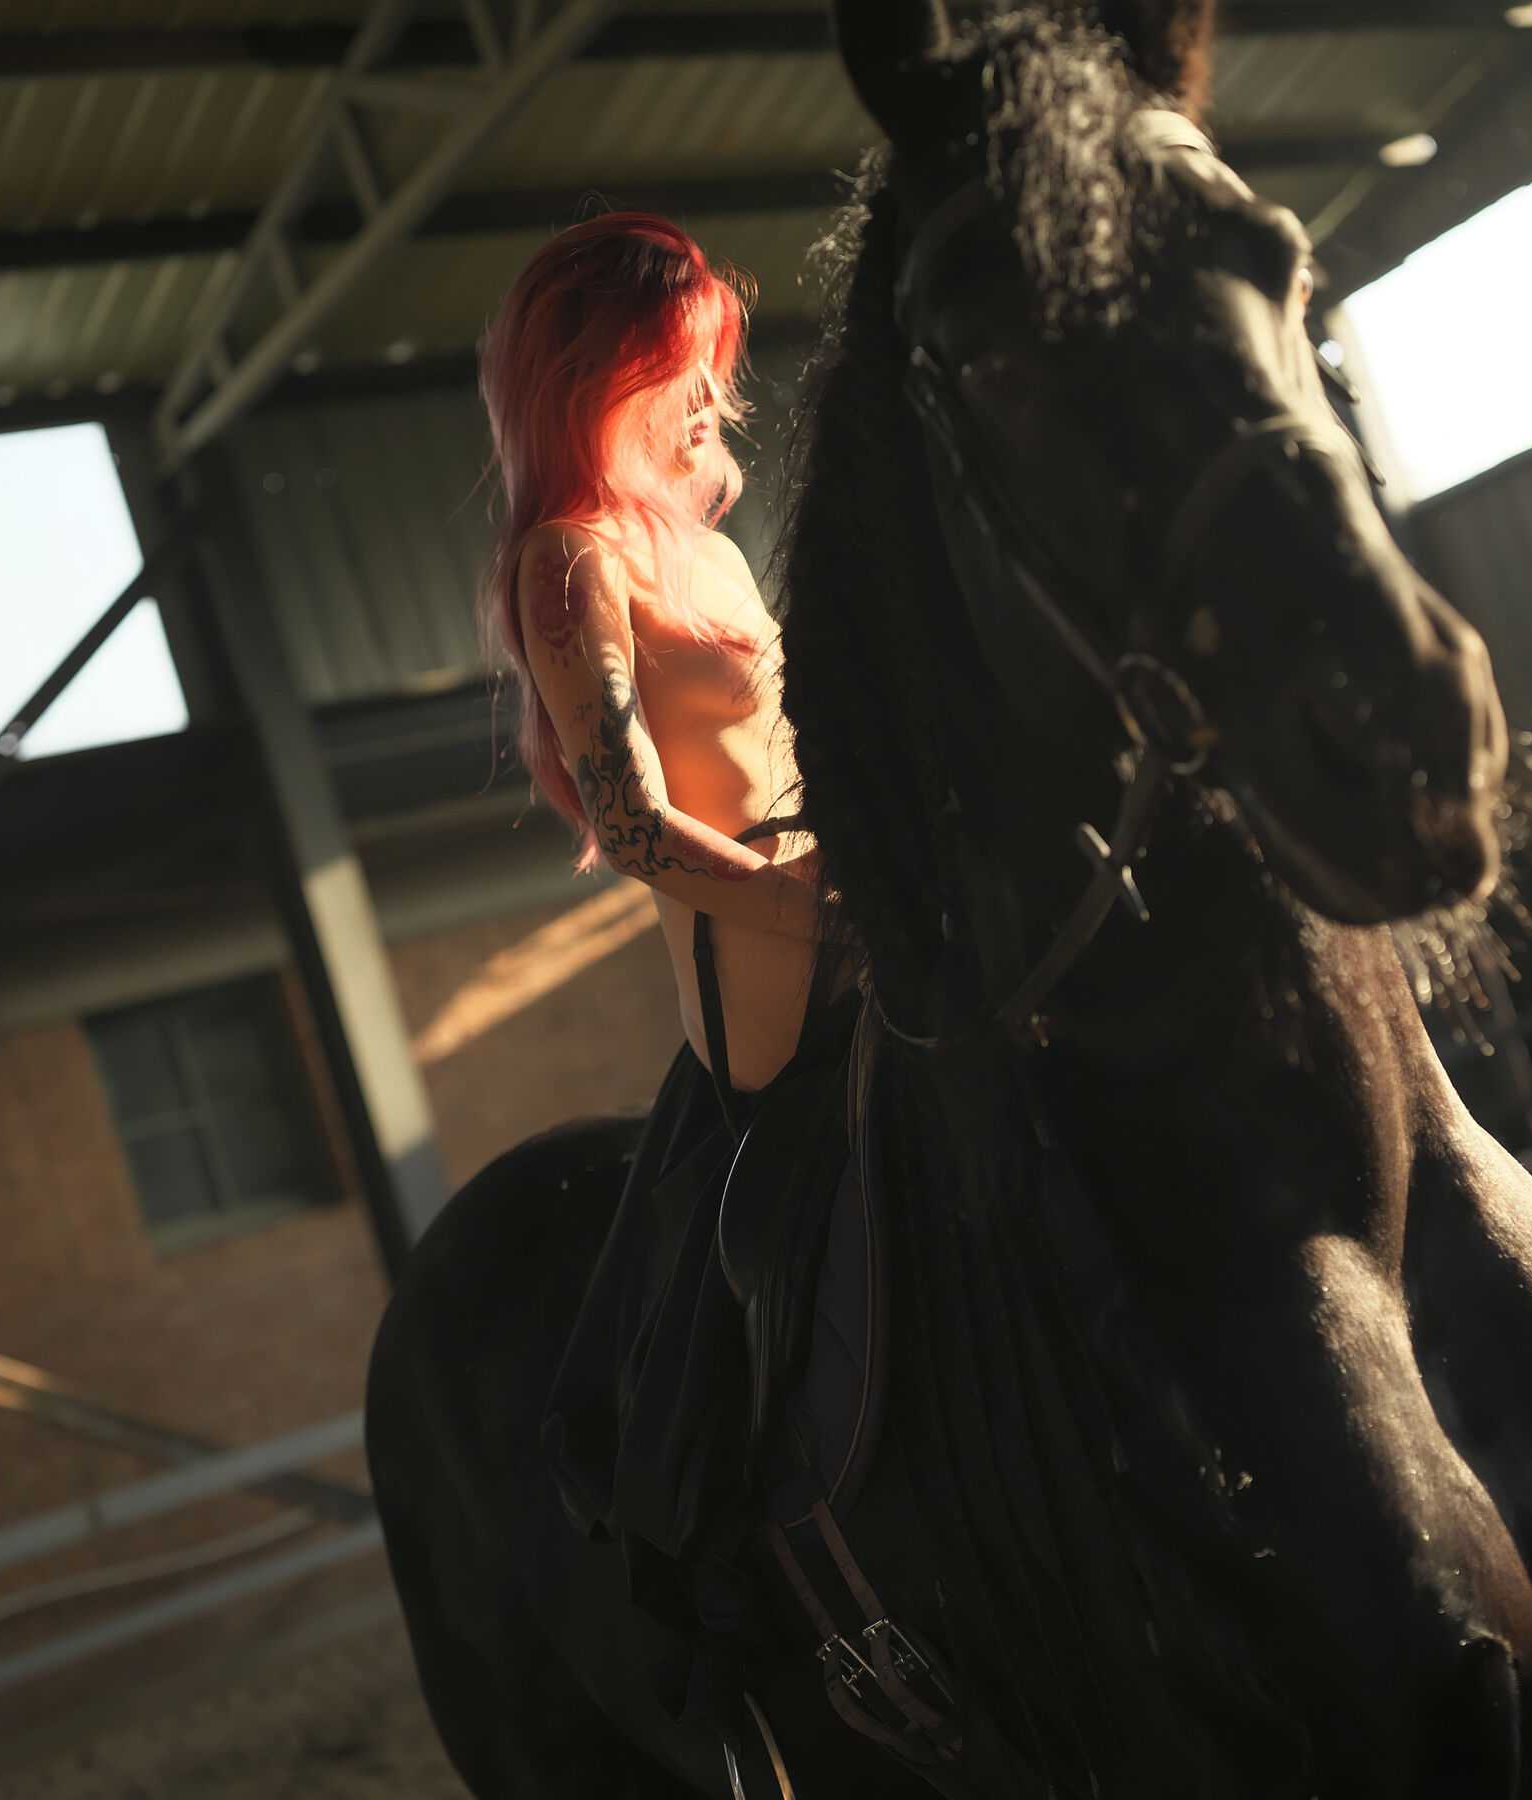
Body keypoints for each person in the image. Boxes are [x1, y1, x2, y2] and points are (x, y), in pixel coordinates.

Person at [474, 212, 857, 1727]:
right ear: (598, 377)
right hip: (761, 960)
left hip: (842, 894)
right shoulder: (566, 563)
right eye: (681, 367)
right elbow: (632, 824)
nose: (715, 397)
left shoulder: (706, 547)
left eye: (715, 366)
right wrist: (811, 902)